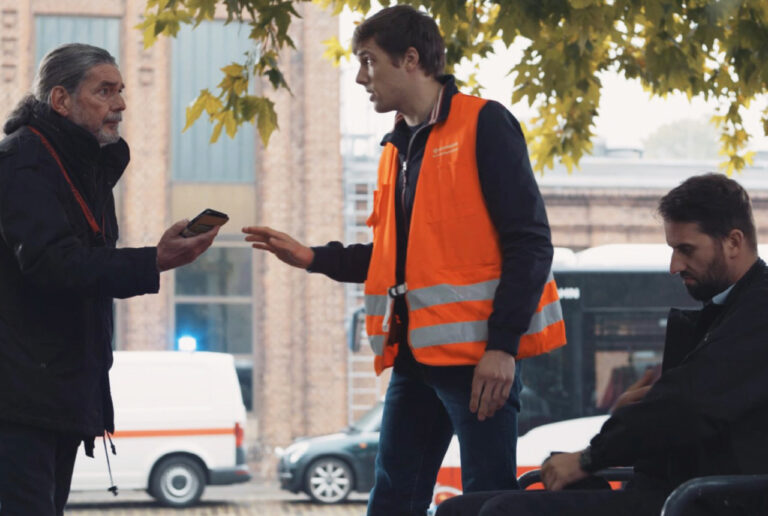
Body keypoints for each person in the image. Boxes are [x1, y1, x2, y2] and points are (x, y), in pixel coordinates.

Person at [242, 5, 565, 515]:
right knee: (392, 498)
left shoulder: (485, 124)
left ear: (411, 59)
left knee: (486, 500)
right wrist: (311, 257)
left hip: (480, 363)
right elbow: (396, 260)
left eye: (369, 61)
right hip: (415, 360)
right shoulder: (397, 148)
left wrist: (502, 349)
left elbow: (530, 243)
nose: (360, 77)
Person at [436, 173, 768, 516]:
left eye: (685, 250)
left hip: (706, 501)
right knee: (457, 510)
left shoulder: (759, 312)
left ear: (733, 242)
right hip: (677, 493)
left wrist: (590, 458)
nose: (674, 266)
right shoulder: (724, 312)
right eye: (673, 250)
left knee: (501, 511)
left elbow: (687, 405)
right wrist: (627, 416)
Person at [0, 43, 218, 516]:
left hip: (57, 398)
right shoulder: (22, 162)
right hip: (18, 406)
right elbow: (55, 265)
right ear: (61, 100)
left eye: (120, 91)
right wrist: (152, 261)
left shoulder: (88, 166)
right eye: (105, 91)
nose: (120, 104)